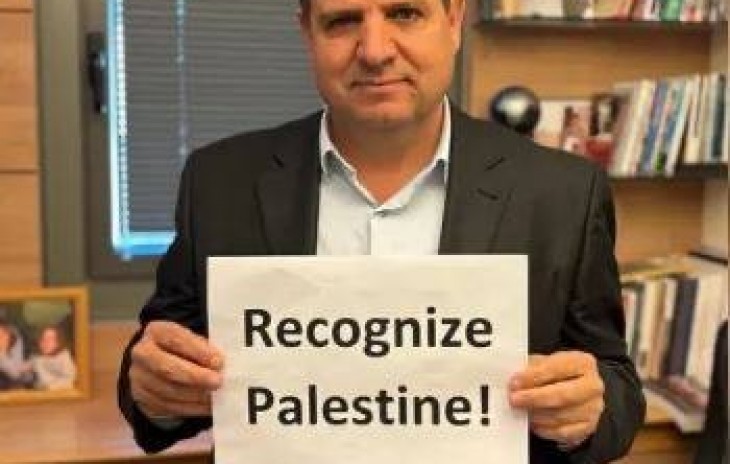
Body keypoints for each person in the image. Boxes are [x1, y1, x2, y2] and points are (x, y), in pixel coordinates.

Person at [118, 0, 645, 462]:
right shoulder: (220, 183)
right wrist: (154, 391)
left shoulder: (563, 193)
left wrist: (587, 410)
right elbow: (157, 368)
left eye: (405, 13)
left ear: (454, 20)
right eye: (343, 21)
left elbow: (617, 389)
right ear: (307, 33)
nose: (374, 50)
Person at [30, 325, 77, 390]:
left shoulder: (64, 357)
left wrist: (50, 387)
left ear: (58, 342)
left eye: (51, 339)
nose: (46, 342)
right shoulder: (37, 357)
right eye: (43, 339)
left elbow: (70, 379)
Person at [0, 318, 33, 390]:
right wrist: (2, 353)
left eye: (4, 334)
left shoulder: (17, 345)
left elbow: (27, 375)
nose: (2, 338)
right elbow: (14, 374)